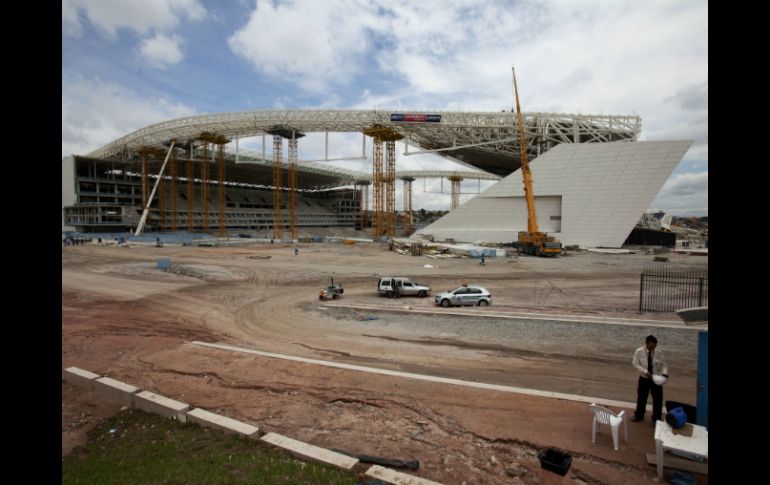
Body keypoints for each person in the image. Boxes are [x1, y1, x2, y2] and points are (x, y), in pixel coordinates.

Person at [631, 335, 669, 427]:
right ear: (646, 343)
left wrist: (665, 374)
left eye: (655, 346)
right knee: (641, 397)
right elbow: (635, 364)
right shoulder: (639, 351)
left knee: (658, 399)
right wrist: (645, 372)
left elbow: (664, 365)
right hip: (644, 378)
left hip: (656, 379)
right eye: (651, 346)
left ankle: (656, 419)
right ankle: (639, 415)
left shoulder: (659, 352)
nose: (653, 348)